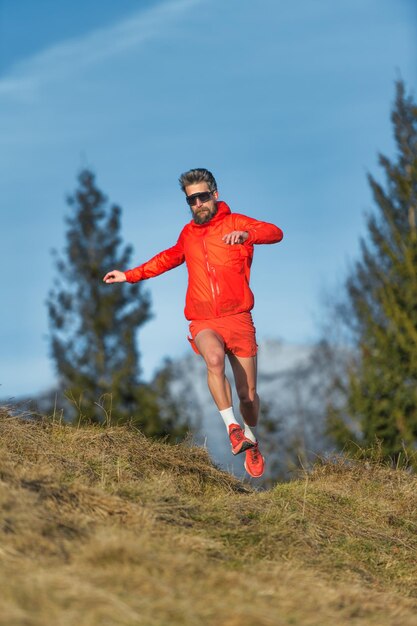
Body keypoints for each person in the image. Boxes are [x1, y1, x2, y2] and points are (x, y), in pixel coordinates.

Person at [103, 168, 283, 478]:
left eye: (201, 197)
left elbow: (275, 232)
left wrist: (248, 235)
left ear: (214, 195)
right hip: (204, 320)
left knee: (248, 397)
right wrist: (130, 275)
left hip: (238, 318)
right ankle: (232, 429)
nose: (197, 203)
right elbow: (166, 258)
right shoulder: (188, 235)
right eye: (191, 200)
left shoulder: (236, 222)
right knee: (213, 359)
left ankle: (251, 441)